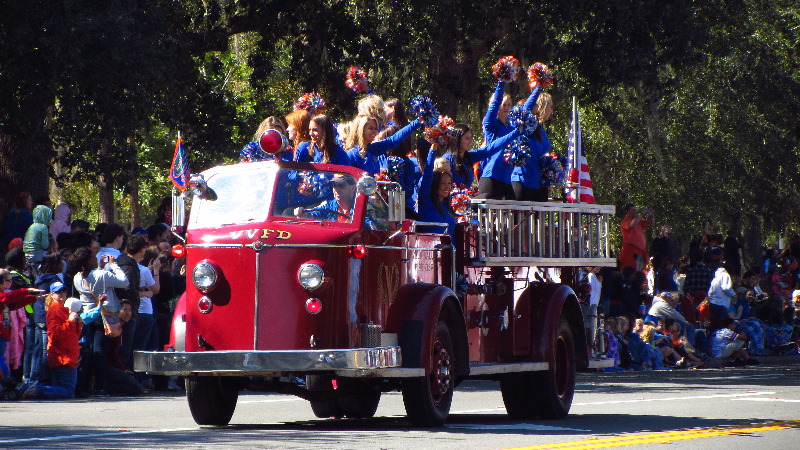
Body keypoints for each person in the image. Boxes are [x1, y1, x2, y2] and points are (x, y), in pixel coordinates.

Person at [21, 287, 82, 399]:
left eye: (64, 290)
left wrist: (76, 322)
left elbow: (74, 335)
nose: (62, 293)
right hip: (63, 357)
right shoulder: (54, 309)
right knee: (68, 391)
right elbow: (54, 334)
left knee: (61, 392)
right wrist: (70, 321)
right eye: (59, 291)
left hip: (67, 355)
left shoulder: (64, 309)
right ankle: (38, 388)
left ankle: (36, 390)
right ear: (52, 294)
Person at [344, 115, 422, 175]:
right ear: (360, 130)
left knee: (396, 194)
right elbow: (346, 182)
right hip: (361, 195)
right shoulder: (352, 154)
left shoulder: (373, 149)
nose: (375, 132)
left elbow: (394, 140)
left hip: (382, 194)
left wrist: (418, 121)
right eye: (371, 128)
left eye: (375, 129)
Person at [294, 174, 358, 224]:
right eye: (334, 185)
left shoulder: (361, 208)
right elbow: (313, 214)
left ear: (353, 188)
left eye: (341, 185)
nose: (337, 189)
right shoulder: (329, 205)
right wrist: (302, 213)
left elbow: (367, 224)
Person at [707, 249, 735, 330]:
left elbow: (710, 291)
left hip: (713, 303)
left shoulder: (716, 276)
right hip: (721, 304)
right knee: (721, 326)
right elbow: (726, 287)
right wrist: (734, 294)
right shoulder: (725, 275)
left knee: (715, 325)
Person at [619, 204, 652, 272]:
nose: (635, 212)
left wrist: (651, 215)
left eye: (635, 210)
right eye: (633, 210)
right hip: (631, 252)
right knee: (632, 271)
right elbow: (632, 225)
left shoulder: (638, 221)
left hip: (640, 251)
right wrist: (641, 214)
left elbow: (650, 224)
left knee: (640, 272)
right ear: (627, 212)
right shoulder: (625, 221)